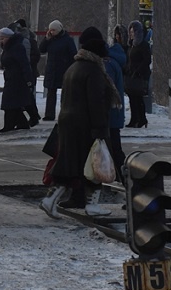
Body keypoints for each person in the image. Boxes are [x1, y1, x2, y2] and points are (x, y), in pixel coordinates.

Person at [40, 27, 120, 218]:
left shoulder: (73, 68)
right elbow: (96, 102)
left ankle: (50, 199)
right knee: (94, 166)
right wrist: (101, 130)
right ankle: (92, 206)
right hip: (86, 126)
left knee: (68, 166)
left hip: (68, 123)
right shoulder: (94, 71)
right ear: (99, 54)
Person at [38, 20, 77, 121]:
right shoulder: (50, 39)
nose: (51, 32)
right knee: (51, 92)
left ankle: (65, 113)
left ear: (59, 29)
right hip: (52, 69)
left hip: (64, 69)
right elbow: (41, 49)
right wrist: (46, 39)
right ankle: (49, 114)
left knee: (65, 93)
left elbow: (73, 54)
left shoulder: (68, 40)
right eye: (50, 30)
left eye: (53, 30)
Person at [0, 26, 31, 132]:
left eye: (3, 38)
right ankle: (22, 123)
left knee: (9, 102)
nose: (1, 41)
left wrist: (28, 78)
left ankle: (9, 125)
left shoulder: (17, 47)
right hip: (10, 76)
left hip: (17, 78)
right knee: (13, 102)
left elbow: (24, 63)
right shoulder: (8, 47)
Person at [105, 30, 127, 181]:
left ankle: (125, 179)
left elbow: (105, 91)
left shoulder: (108, 64)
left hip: (109, 114)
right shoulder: (116, 62)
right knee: (115, 149)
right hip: (115, 114)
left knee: (113, 149)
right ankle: (124, 178)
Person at [125, 20, 152, 127]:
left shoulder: (143, 45)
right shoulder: (131, 46)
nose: (131, 35)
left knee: (138, 98)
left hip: (140, 75)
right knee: (133, 98)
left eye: (133, 32)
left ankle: (141, 118)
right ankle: (135, 118)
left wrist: (138, 71)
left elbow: (147, 60)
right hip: (132, 75)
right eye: (130, 32)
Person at [15, 19, 42, 126]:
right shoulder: (22, 39)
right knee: (27, 95)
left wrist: (26, 62)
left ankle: (33, 115)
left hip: (29, 72)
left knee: (28, 95)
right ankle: (32, 115)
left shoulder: (29, 40)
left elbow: (36, 55)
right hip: (25, 71)